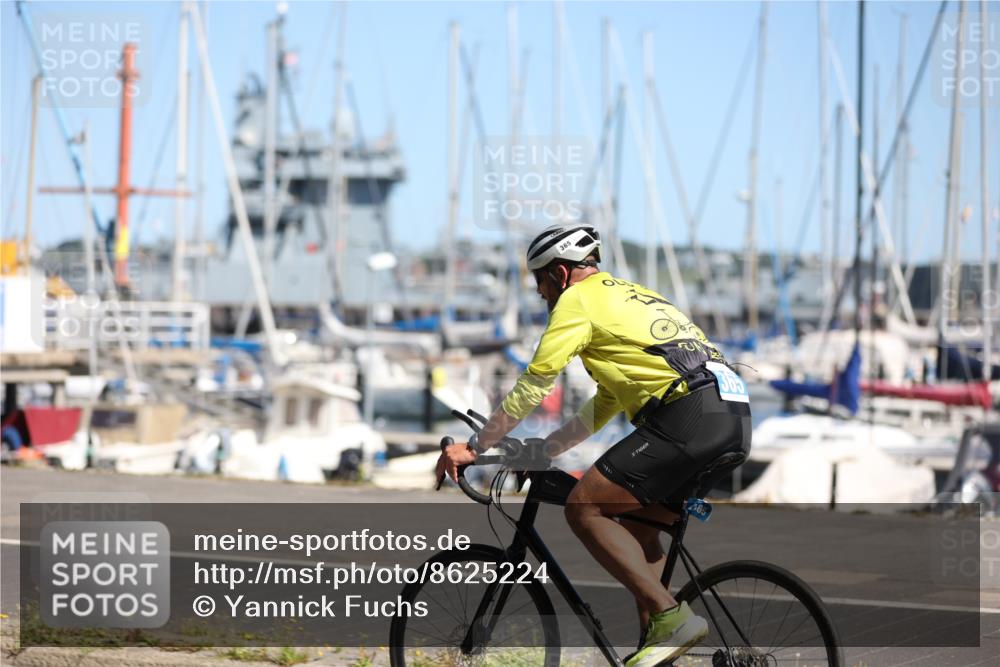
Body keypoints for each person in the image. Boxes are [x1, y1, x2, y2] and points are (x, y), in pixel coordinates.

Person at [436, 222, 751, 667]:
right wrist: (542, 451)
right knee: (640, 533)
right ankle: (660, 640)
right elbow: (604, 403)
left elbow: (536, 382)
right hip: (732, 416)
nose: (540, 293)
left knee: (583, 507)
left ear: (560, 273)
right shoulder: (629, 294)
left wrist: (475, 446)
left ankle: (671, 616)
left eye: (540, 281)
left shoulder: (577, 301)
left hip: (688, 415)